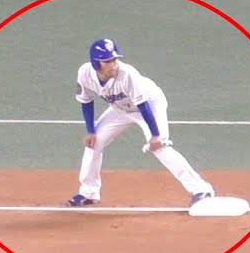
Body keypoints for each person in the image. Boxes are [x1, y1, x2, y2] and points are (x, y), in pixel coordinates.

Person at [66, 38, 215, 208]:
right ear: (95, 63)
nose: (113, 65)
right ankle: (89, 193)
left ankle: (201, 189)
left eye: (114, 59)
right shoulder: (85, 73)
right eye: (107, 61)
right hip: (120, 108)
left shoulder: (127, 74)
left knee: (160, 147)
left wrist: (155, 135)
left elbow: (143, 106)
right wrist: (90, 130)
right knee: (94, 143)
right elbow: (86, 101)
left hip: (150, 105)